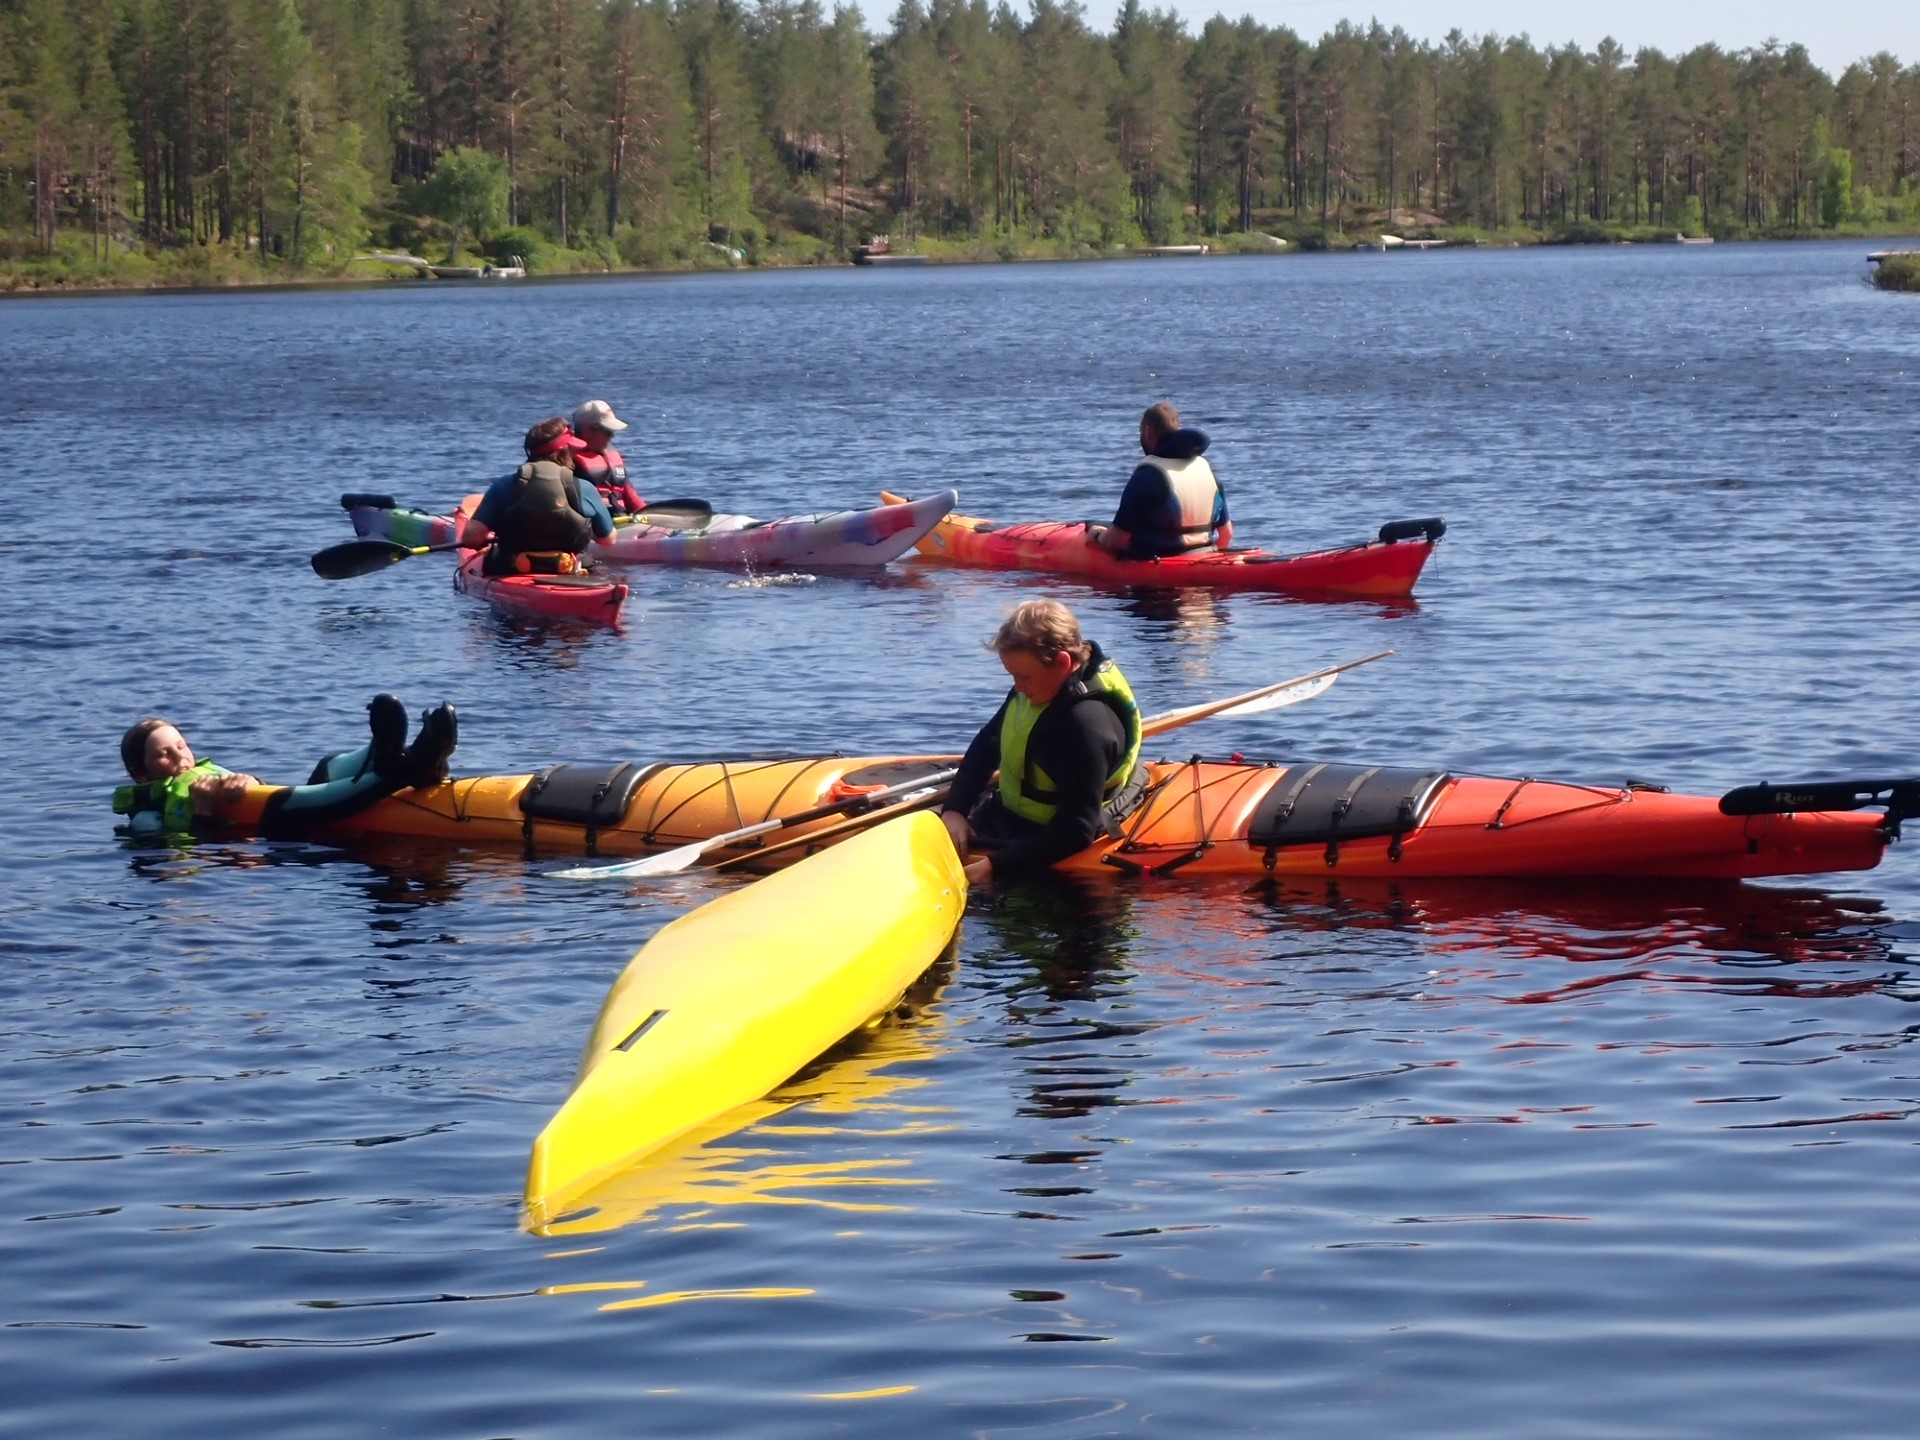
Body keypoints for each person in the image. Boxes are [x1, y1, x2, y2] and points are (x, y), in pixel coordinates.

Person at [940, 599, 1148, 886]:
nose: (1018, 687)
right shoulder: (1038, 686)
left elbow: (1077, 830)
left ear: (1063, 663)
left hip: (1052, 833)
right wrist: (955, 808)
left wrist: (996, 866)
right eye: (1013, 676)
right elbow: (989, 743)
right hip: (1012, 816)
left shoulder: (1084, 725)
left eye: (1024, 676)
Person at [114, 696, 457, 842]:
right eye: (163, 755)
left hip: (275, 806)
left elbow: (255, 788)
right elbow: (190, 865)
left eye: (181, 746)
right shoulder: (147, 820)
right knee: (292, 800)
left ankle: (388, 753)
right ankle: (399, 769)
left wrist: (248, 780)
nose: (179, 758)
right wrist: (203, 812)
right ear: (140, 774)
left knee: (326, 765)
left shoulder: (201, 773)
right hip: (279, 829)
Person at [460, 417, 614, 576]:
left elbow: (471, 538)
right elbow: (608, 540)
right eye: (572, 450)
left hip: (513, 570)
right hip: (569, 571)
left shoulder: (502, 486)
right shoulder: (584, 487)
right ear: (562, 452)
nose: (575, 455)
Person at [1091, 402, 1233, 558]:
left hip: (1159, 564)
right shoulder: (1207, 470)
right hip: (1204, 555)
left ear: (1147, 432)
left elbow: (1116, 541)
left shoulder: (1148, 476)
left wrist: (1097, 535)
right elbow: (1226, 534)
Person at [571, 400, 645, 516]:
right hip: (596, 526)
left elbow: (633, 499)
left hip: (623, 522)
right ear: (587, 432)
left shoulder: (613, 457)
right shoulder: (569, 462)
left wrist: (648, 519)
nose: (611, 437)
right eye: (608, 432)